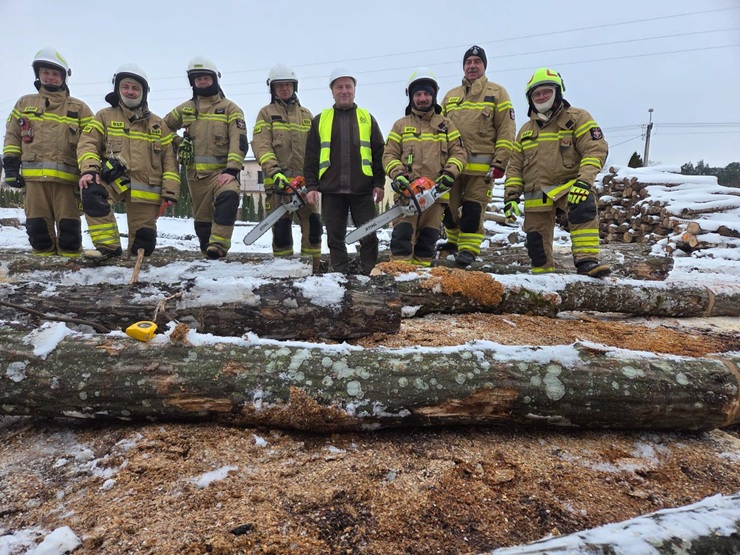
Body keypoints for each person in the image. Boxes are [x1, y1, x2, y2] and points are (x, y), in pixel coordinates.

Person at [503, 67, 610, 277]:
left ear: (557, 92)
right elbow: (515, 166)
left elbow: (595, 149)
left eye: (546, 91)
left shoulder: (578, 118)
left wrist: (584, 181)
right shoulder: (525, 131)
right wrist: (511, 197)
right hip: (536, 194)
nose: (541, 96)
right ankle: (543, 278)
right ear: (530, 98)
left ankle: (587, 262)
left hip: (568, 186)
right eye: (537, 94)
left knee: (583, 205)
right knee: (536, 244)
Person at [77, 64, 180, 258]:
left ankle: (136, 265)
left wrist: (170, 191)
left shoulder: (158, 125)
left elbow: (169, 161)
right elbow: (87, 143)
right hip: (114, 180)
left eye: (135, 88)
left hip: (147, 186)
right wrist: (90, 170)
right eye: (125, 87)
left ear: (144, 92)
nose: (130, 92)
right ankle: (109, 248)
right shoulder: (104, 116)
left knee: (143, 246)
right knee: (92, 192)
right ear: (118, 89)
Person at [3, 47, 93, 257]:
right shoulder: (24, 104)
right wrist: (10, 166)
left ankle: (72, 269)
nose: (50, 77)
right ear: (38, 74)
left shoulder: (79, 108)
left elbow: (92, 142)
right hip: (34, 182)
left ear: (64, 77)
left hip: (67, 182)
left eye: (55, 73)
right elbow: (12, 136)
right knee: (38, 230)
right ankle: (42, 271)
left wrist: (90, 170)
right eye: (46, 72)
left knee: (70, 233)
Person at [164, 56, 248, 259]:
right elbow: (162, 127)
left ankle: (219, 246)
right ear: (192, 82)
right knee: (203, 225)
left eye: (206, 78)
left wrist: (232, 170)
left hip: (222, 173)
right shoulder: (185, 109)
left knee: (229, 196)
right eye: (198, 78)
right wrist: (177, 142)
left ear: (215, 79)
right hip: (195, 176)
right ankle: (209, 254)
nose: (202, 82)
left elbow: (239, 141)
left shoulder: (230, 109)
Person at [304, 67, 385, 275]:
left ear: (355, 90)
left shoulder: (367, 118)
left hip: (363, 190)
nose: (344, 91)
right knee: (334, 237)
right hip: (331, 191)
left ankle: (369, 273)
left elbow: (379, 153)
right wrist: (311, 186)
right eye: (339, 87)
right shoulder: (320, 120)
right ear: (332, 91)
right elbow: (311, 156)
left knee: (369, 235)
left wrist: (379, 183)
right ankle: (339, 274)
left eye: (348, 86)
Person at [440, 45, 516, 267]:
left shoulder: (497, 93)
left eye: (477, 62)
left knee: (473, 211)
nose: (472, 66)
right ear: (463, 66)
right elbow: (438, 128)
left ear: (484, 66)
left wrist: (500, 161)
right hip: (452, 168)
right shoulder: (450, 96)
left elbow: (506, 130)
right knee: (447, 209)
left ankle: (469, 249)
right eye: (468, 62)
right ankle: (453, 241)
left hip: (482, 170)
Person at [382, 68, 467, 266]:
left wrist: (450, 173)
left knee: (427, 240)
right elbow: (389, 154)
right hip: (407, 192)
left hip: (435, 193)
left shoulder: (446, 125)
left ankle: (420, 277)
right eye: (418, 94)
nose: (422, 98)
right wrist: (398, 175)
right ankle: (400, 274)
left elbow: (459, 153)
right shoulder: (400, 125)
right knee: (402, 238)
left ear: (433, 95)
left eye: (426, 94)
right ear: (411, 97)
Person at [252, 63, 321, 270]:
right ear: (273, 88)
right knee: (281, 233)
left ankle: (313, 270)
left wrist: (315, 179)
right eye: (279, 85)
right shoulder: (266, 114)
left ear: (294, 86)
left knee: (314, 229)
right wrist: (275, 173)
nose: (284, 89)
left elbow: (316, 149)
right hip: (278, 186)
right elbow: (262, 146)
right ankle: (284, 272)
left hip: (305, 185)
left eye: (288, 85)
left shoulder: (306, 115)